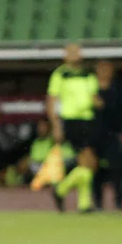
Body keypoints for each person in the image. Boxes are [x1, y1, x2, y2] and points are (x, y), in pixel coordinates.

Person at [45, 43, 101, 213]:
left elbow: (94, 97)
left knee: (86, 163)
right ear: (65, 56)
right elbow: (52, 100)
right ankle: (62, 190)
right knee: (88, 161)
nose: (75, 54)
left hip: (88, 119)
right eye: (71, 52)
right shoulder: (60, 74)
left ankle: (82, 203)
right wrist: (56, 125)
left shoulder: (88, 74)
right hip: (71, 120)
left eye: (77, 51)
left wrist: (99, 102)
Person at [93, 60, 122, 210]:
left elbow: (121, 112)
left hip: (112, 134)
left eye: (108, 69)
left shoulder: (117, 88)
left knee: (116, 170)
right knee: (95, 171)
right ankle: (98, 202)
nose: (105, 71)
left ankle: (119, 202)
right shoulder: (90, 88)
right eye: (101, 69)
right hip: (94, 134)